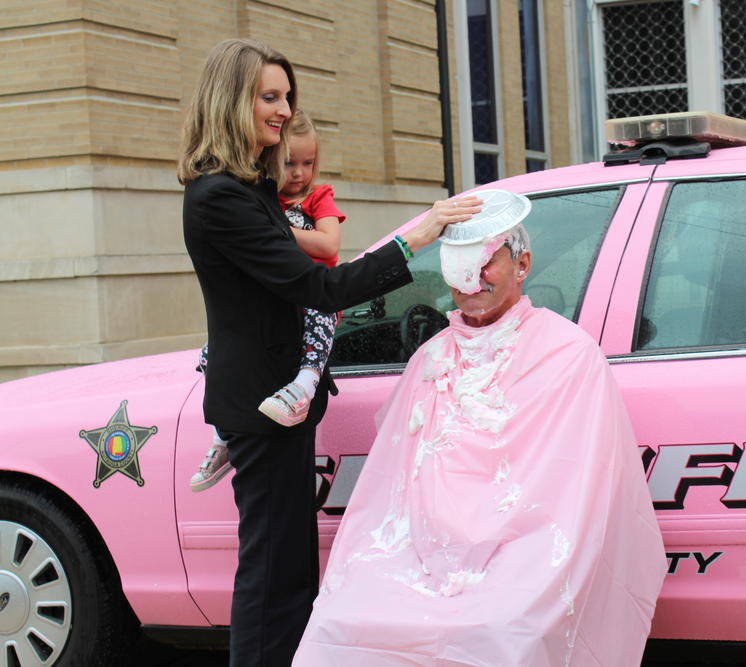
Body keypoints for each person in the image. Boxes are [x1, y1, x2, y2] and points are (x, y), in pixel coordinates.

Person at [178, 38, 480, 667]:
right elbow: (318, 287)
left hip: (278, 402)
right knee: (271, 574)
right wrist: (418, 236)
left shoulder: (252, 189)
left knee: (289, 569)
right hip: (261, 405)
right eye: (270, 96)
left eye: (287, 96)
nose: (285, 109)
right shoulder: (219, 198)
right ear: (232, 101)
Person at [293, 222, 666, 666]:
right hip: (415, 552)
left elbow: (574, 497)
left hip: (524, 551)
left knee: (505, 629)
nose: (472, 277)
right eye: (459, 264)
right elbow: (391, 491)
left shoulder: (567, 354)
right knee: (340, 617)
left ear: (522, 264)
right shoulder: (431, 358)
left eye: (486, 261)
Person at [189, 108, 347, 492]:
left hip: (313, 296)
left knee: (318, 325)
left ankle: (304, 387)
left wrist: (274, 231)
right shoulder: (260, 200)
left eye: (308, 163)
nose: (299, 173)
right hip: (271, 307)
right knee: (213, 354)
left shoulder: (317, 198)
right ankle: (222, 438)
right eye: (290, 163)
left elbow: (328, 244)